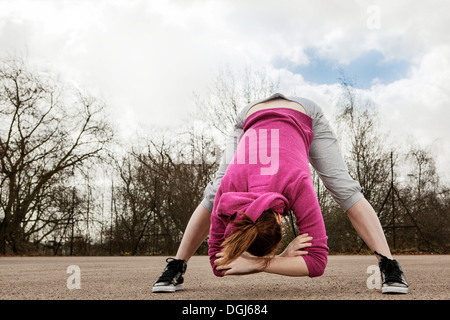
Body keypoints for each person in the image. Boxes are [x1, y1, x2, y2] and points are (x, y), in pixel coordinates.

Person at [152, 93, 409, 294]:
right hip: (251, 115)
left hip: (303, 114)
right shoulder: (229, 191)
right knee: (212, 194)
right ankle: (176, 264)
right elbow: (219, 266)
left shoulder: (292, 184)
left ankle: (389, 263)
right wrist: (276, 259)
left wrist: (261, 263)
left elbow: (317, 262)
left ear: (276, 219)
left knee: (344, 188)